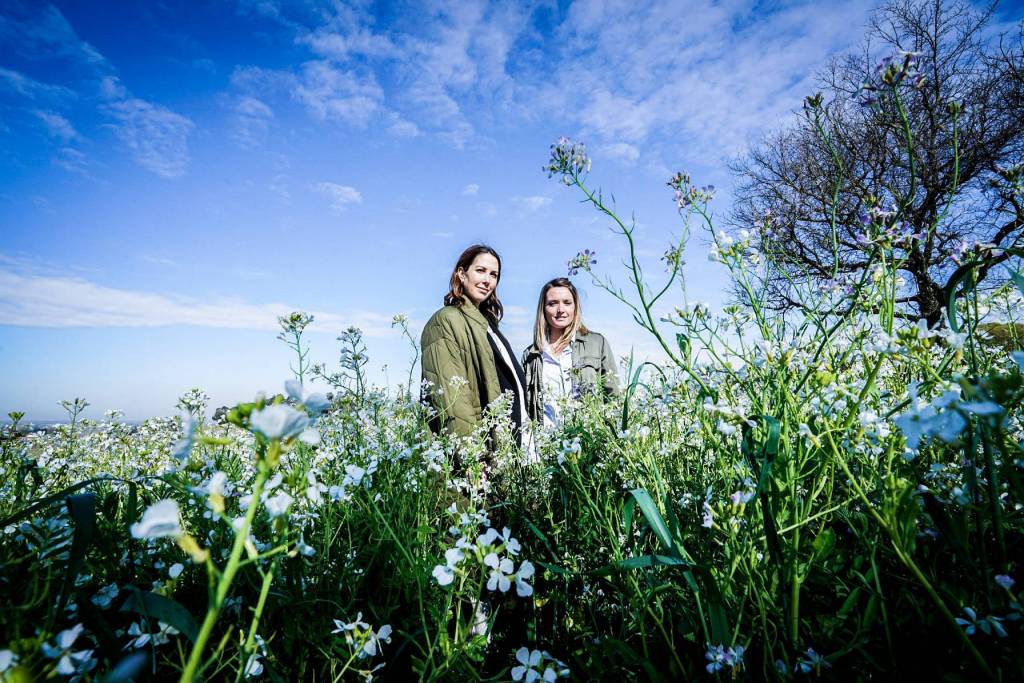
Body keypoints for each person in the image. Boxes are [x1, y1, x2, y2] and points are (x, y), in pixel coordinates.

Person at [420, 245, 528, 447]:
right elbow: (453, 402)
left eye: (494, 275)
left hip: (508, 452)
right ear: (462, 273)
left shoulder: (488, 326)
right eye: (480, 271)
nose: (487, 280)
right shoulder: (446, 321)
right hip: (477, 460)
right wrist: (473, 456)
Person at [522, 277, 618, 428]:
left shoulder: (597, 343)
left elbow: (613, 396)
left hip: (587, 442)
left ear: (575, 307)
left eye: (567, 303)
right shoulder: (531, 355)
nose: (560, 310)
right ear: (543, 309)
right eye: (553, 303)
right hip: (544, 443)